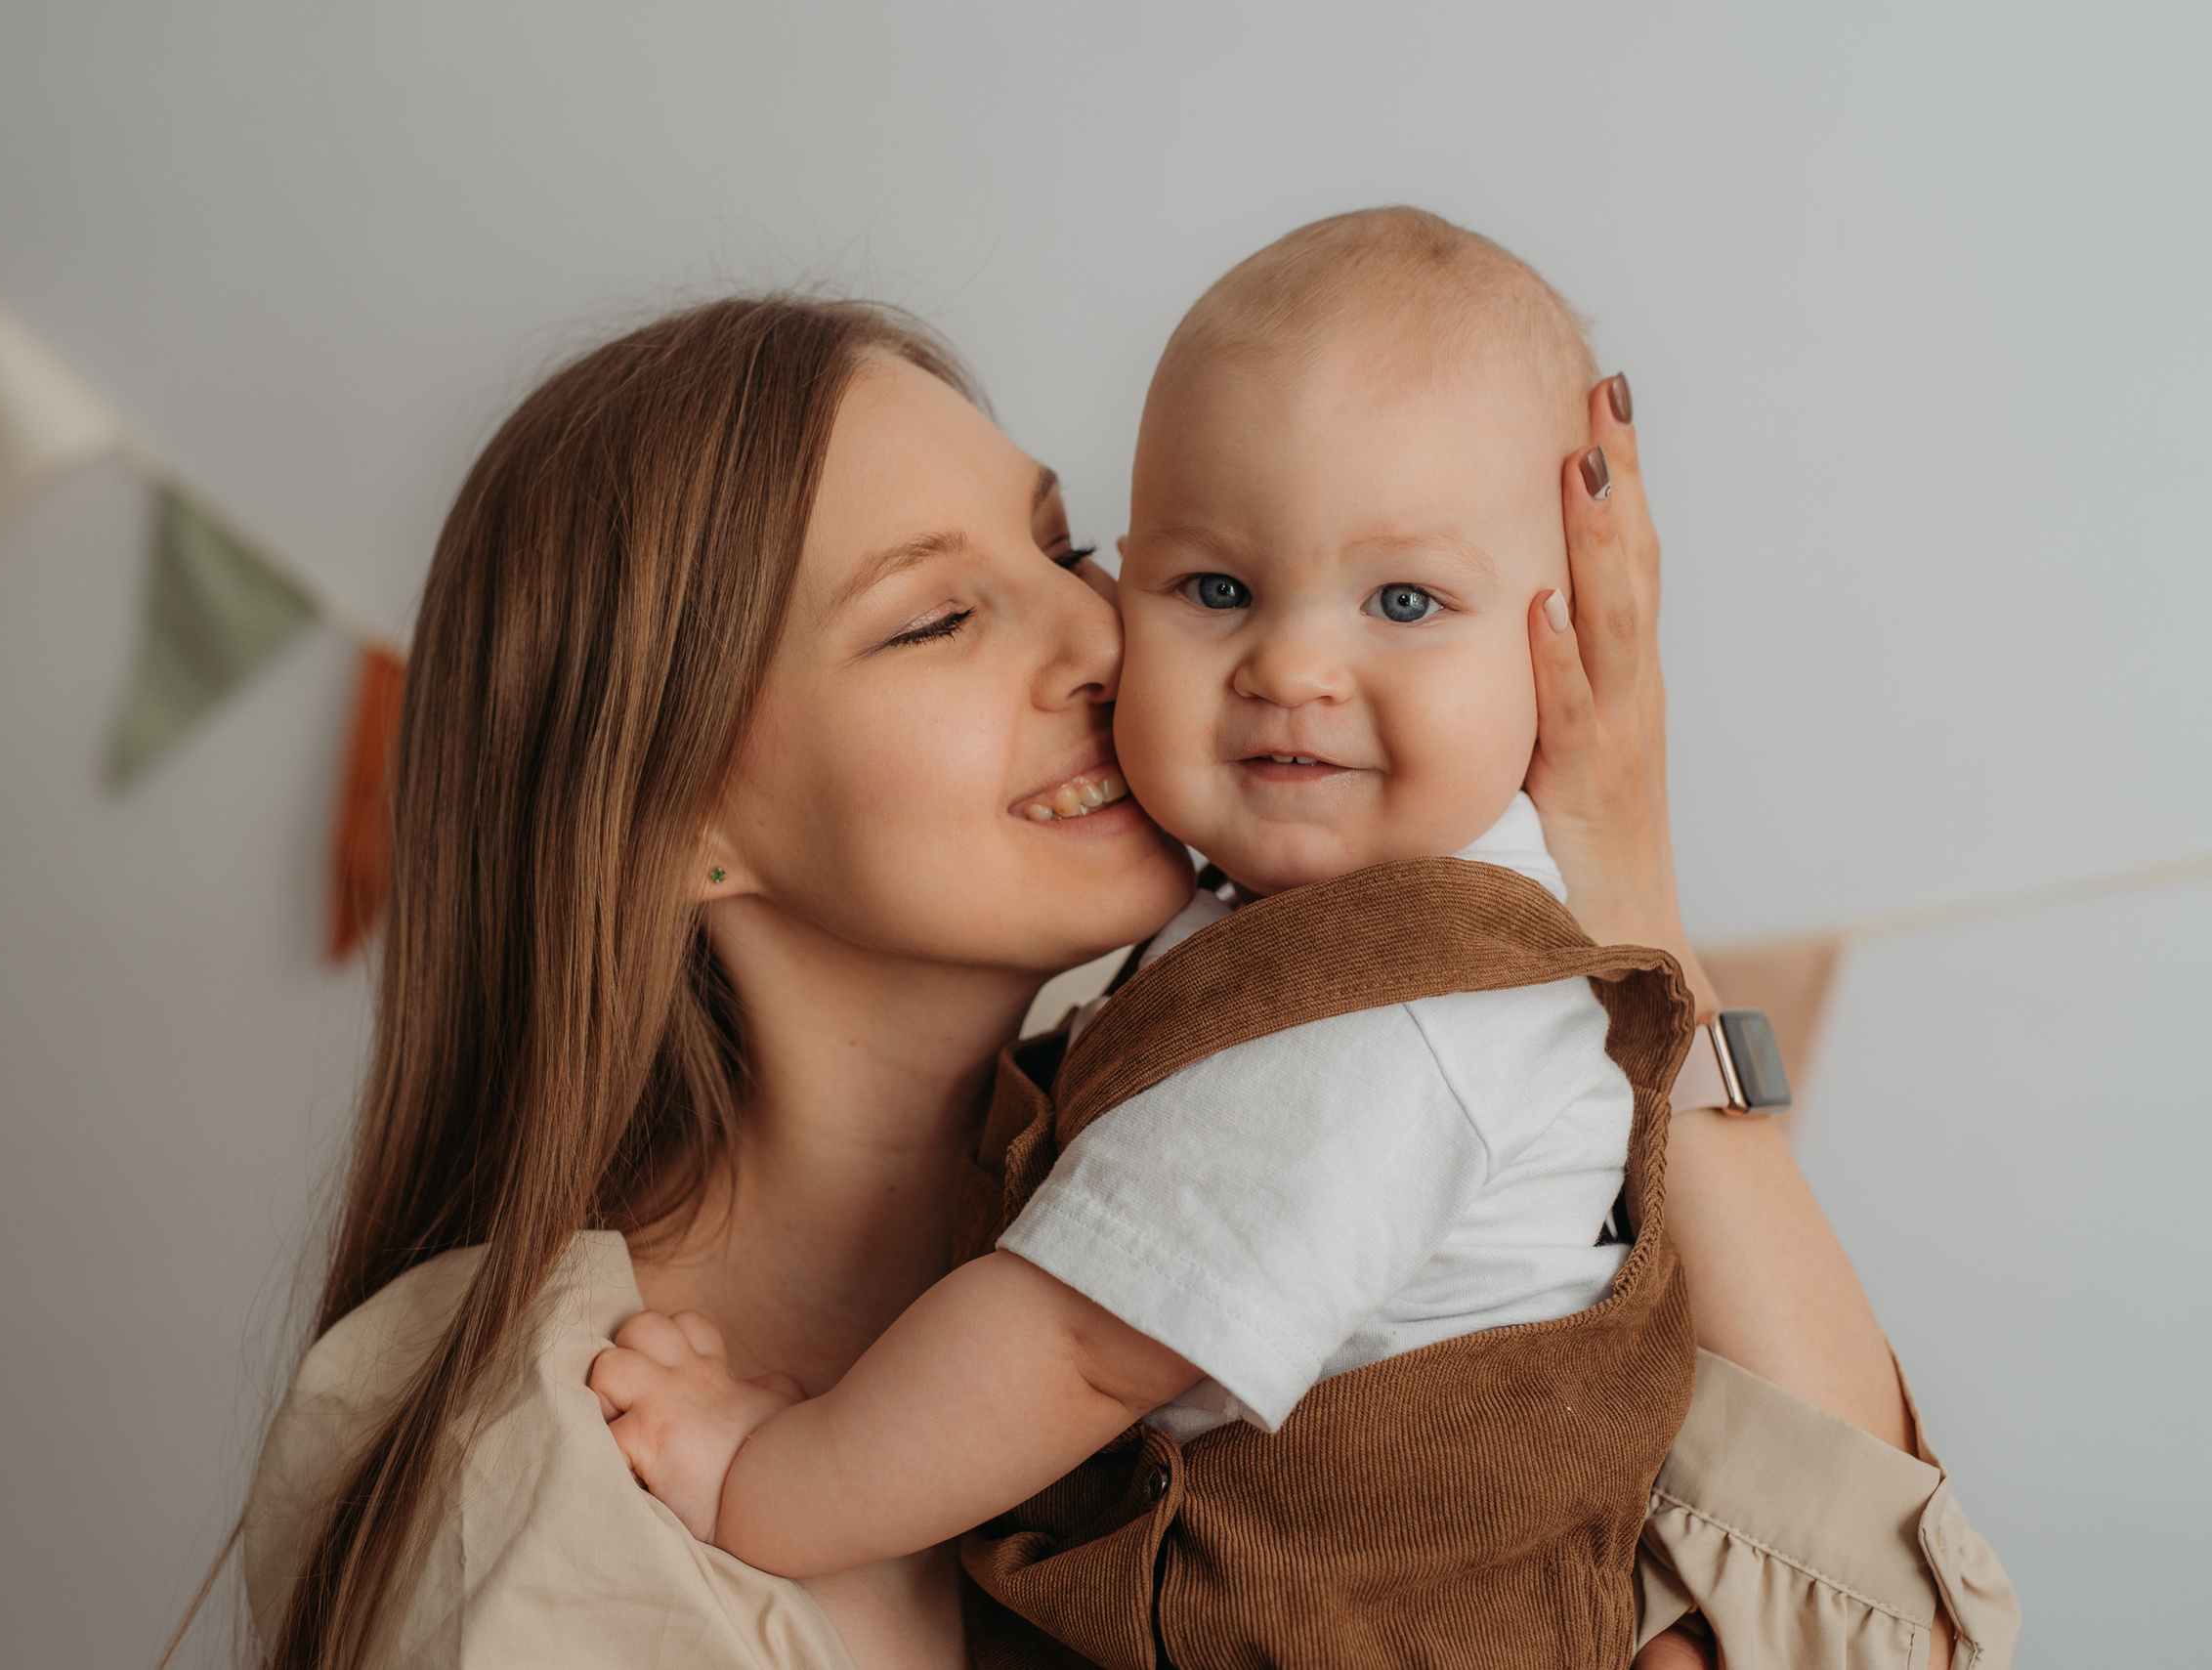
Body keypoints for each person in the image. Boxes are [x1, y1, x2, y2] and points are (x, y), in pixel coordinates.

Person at [236, 293, 2016, 1670]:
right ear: (681, 821)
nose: (1107, 633)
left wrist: (1625, 889)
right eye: (940, 614)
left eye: (1066, 542)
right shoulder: (539, 1462)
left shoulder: (1292, 1155)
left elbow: (1882, 1624)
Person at [589, 208, 1708, 1664]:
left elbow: (1076, 1341)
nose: (1292, 665)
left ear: (1562, 644)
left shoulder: (1395, 1017)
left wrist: (764, 1476)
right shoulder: (1297, 946)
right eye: (1214, 588)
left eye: (1406, 600)